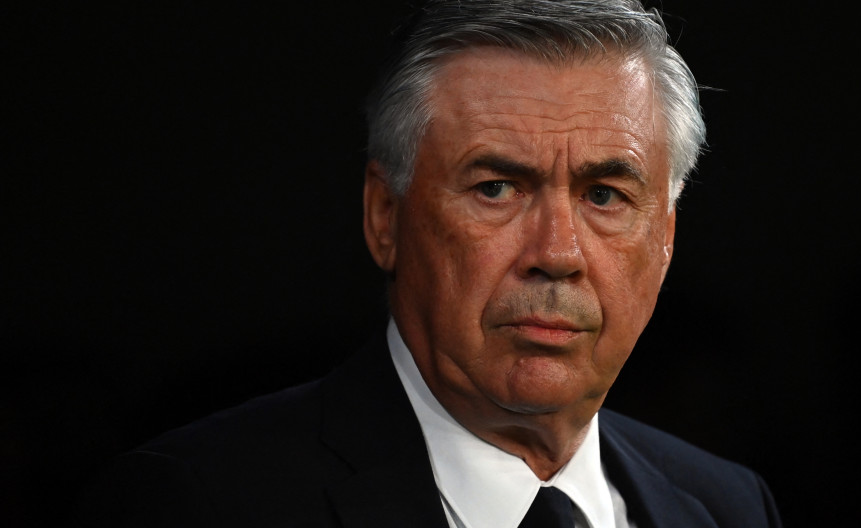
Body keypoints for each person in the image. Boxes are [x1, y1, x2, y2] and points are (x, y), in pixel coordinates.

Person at [77, 1, 783, 526]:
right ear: (385, 217)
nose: (558, 255)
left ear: (665, 236)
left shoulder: (729, 507)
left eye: (604, 195)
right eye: (496, 189)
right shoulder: (201, 503)